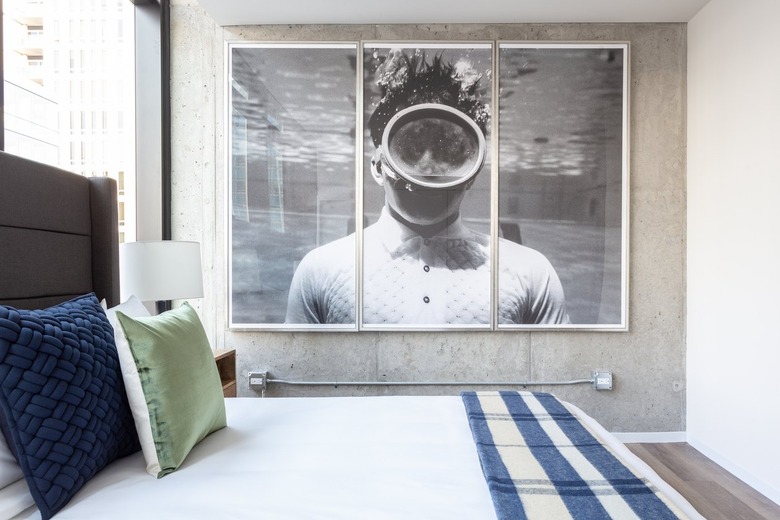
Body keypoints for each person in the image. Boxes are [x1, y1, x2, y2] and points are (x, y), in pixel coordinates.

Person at [285, 49, 569, 326]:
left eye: (450, 150)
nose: (429, 168)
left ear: (472, 172)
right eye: (410, 148)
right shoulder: (321, 270)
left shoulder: (530, 271)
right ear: (378, 166)